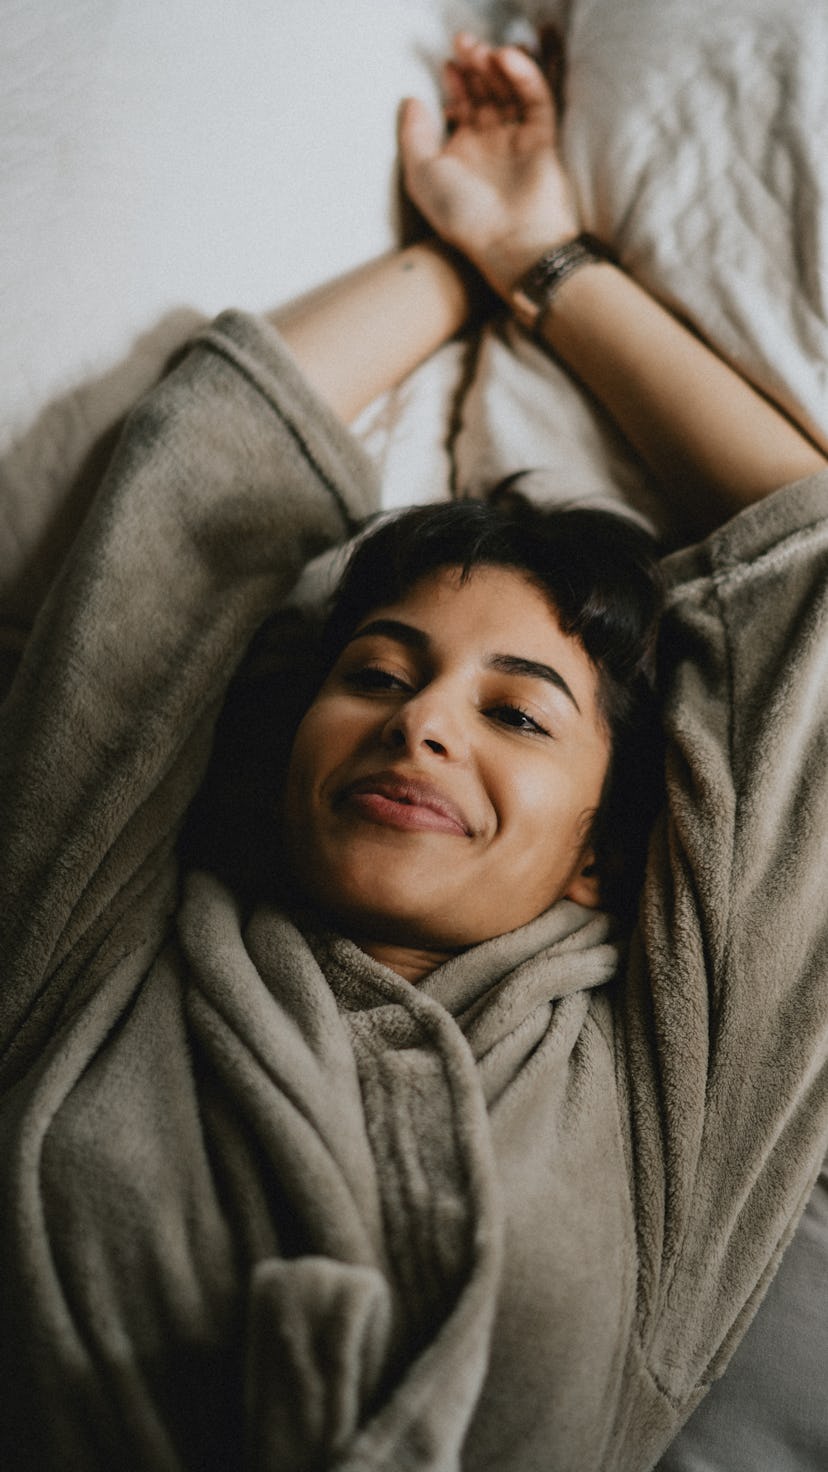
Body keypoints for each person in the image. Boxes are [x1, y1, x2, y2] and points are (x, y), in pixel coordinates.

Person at [0, 31, 826, 1472]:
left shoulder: (662, 1100)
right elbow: (195, 492)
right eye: (379, 674)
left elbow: (810, 584)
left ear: (602, 853)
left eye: (516, 713)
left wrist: (546, 263)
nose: (421, 720)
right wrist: (452, 257)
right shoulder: (89, 948)